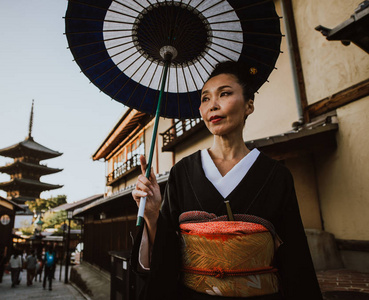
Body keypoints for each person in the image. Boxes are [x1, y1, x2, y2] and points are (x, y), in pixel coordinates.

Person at [131, 61, 322, 300]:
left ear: (249, 105)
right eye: (205, 98)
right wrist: (151, 214)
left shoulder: (276, 175)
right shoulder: (182, 172)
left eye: (225, 94)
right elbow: (166, 256)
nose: (213, 105)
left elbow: (295, 256)